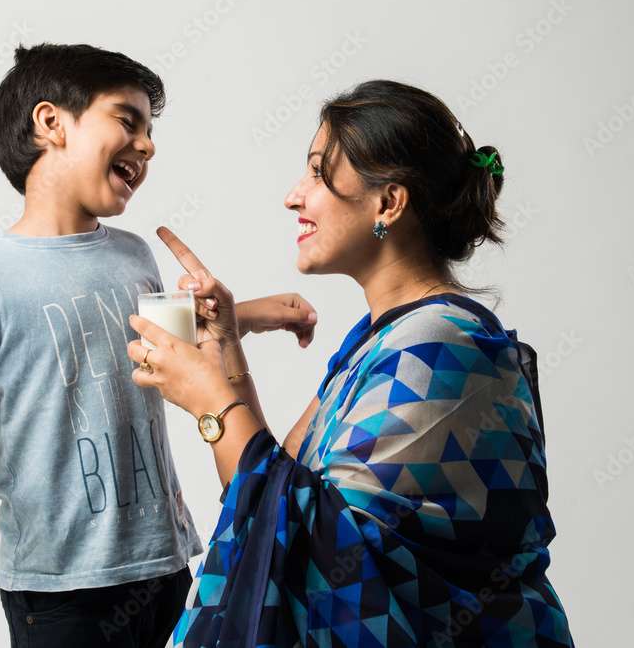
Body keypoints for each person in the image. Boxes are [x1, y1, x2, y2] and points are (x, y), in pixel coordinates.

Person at [126, 80, 575, 646]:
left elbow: (322, 546)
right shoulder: (381, 336)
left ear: (388, 202)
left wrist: (210, 401)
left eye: (318, 173)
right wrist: (223, 347)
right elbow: (269, 502)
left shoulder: (441, 349)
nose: (294, 196)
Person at [0, 43, 312, 648]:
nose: (146, 146)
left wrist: (247, 315)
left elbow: (162, 346)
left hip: (162, 561)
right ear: (52, 124)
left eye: (150, 133)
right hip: (60, 584)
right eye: (128, 121)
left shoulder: (132, 255)